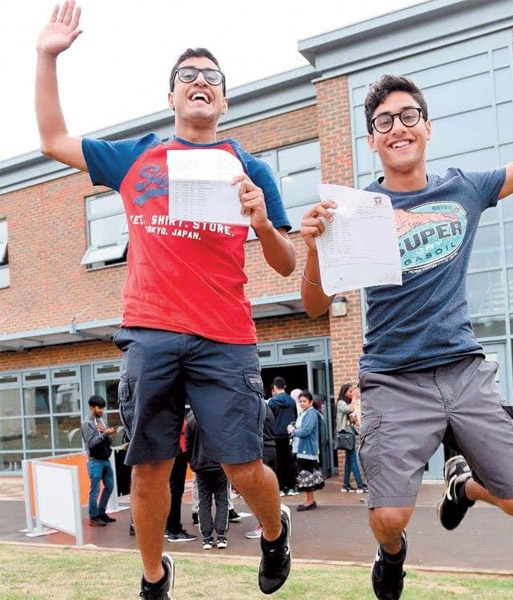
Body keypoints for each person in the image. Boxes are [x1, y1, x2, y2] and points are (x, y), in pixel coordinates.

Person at [300, 72, 513, 599]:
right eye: (384, 121)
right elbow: (313, 306)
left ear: (428, 128)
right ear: (372, 140)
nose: (398, 127)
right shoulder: (354, 213)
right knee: (389, 516)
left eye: (408, 116)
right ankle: (392, 554)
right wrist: (314, 247)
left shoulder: (462, 189)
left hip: (461, 368)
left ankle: (461, 485)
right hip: (393, 378)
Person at [35, 3, 294, 597]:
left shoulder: (249, 167)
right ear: (173, 97)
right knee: (149, 469)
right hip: (149, 330)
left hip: (225, 335)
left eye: (212, 77)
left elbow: (284, 262)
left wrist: (260, 220)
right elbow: (51, 139)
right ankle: (154, 577)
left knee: (242, 466)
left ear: (224, 101)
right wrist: (47, 56)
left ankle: (275, 534)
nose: (200, 82)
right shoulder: (137, 157)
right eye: (189, 76)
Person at [186, 412, 229, 549]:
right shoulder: (219, 416)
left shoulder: (192, 419)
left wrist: (192, 462)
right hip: (219, 464)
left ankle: (207, 538)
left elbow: (188, 444)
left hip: (200, 465)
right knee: (222, 500)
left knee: (204, 502)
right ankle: (221, 535)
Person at [81, 395, 116, 527]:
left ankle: (101, 512)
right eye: (99, 407)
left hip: (105, 459)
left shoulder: (102, 421)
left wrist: (108, 433)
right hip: (94, 461)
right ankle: (93, 516)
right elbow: (91, 443)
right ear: (92, 408)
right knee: (95, 490)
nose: (101, 410)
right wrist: (105, 433)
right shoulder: (87, 424)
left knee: (110, 486)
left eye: (103, 408)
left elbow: (108, 440)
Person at [246, 401, 278, 540]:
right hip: (270, 448)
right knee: (266, 490)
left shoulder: (257, 409)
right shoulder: (267, 408)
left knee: (259, 491)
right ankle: (271, 525)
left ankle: (264, 526)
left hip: (263, 450)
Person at [287, 391, 324, 511]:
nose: (302, 403)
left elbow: (305, 431)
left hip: (307, 450)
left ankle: (309, 501)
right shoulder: (304, 413)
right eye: (300, 401)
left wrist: (292, 430)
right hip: (302, 449)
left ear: (310, 402)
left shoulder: (311, 414)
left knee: (307, 476)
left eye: (304, 401)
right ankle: (310, 500)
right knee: (306, 476)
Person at [165, 418, 197, 543]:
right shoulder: (171, 415)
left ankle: (171, 527)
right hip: (177, 453)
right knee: (175, 492)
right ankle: (174, 529)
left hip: (176, 453)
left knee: (174, 491)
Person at [268, 377, 298, 496]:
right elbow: (295, 416)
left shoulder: (272, 402)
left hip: (275, 436)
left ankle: (279, 488)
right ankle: (291, 487)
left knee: (278, 462)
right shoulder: (291, 401)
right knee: (289, 461)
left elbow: (269, 419)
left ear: (274, 387)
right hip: (289, 435)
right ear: (285, 386)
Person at [336, 384, 367, 493]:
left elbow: (350, 418)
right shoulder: (341, 402)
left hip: (350, 432)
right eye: (350, 391)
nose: (351, 393)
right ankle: (360, 485)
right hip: (347, 434)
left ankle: (346, 485)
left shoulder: (345, 403)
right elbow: (349, 410)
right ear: (344, 393)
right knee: (353, 458)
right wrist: (355, 398)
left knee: (349, 460)